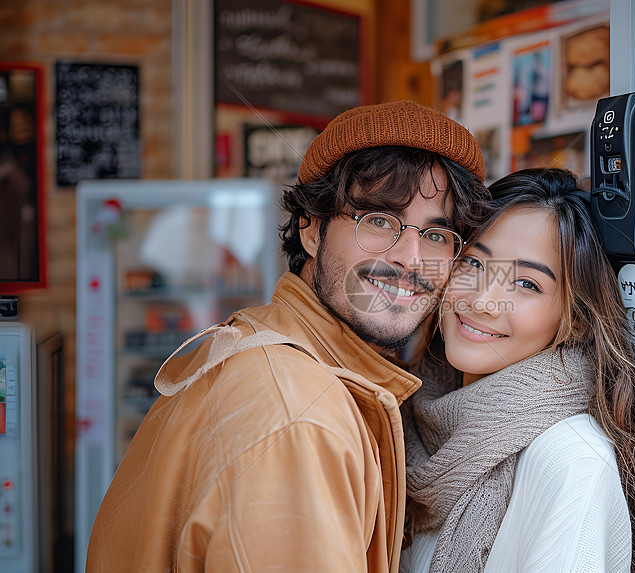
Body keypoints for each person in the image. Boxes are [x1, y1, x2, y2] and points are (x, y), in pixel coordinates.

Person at [86, 101, 489, 573]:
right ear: (312, 230)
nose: (412, 258)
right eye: (379, 220)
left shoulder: (267, 345)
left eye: (437, 235)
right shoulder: (299, 417)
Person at [401, 168, 635, 573]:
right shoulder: (415, 413)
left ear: (575, 321)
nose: (484, 301)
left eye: (527, 284)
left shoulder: (572, 461)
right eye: (473, 265)